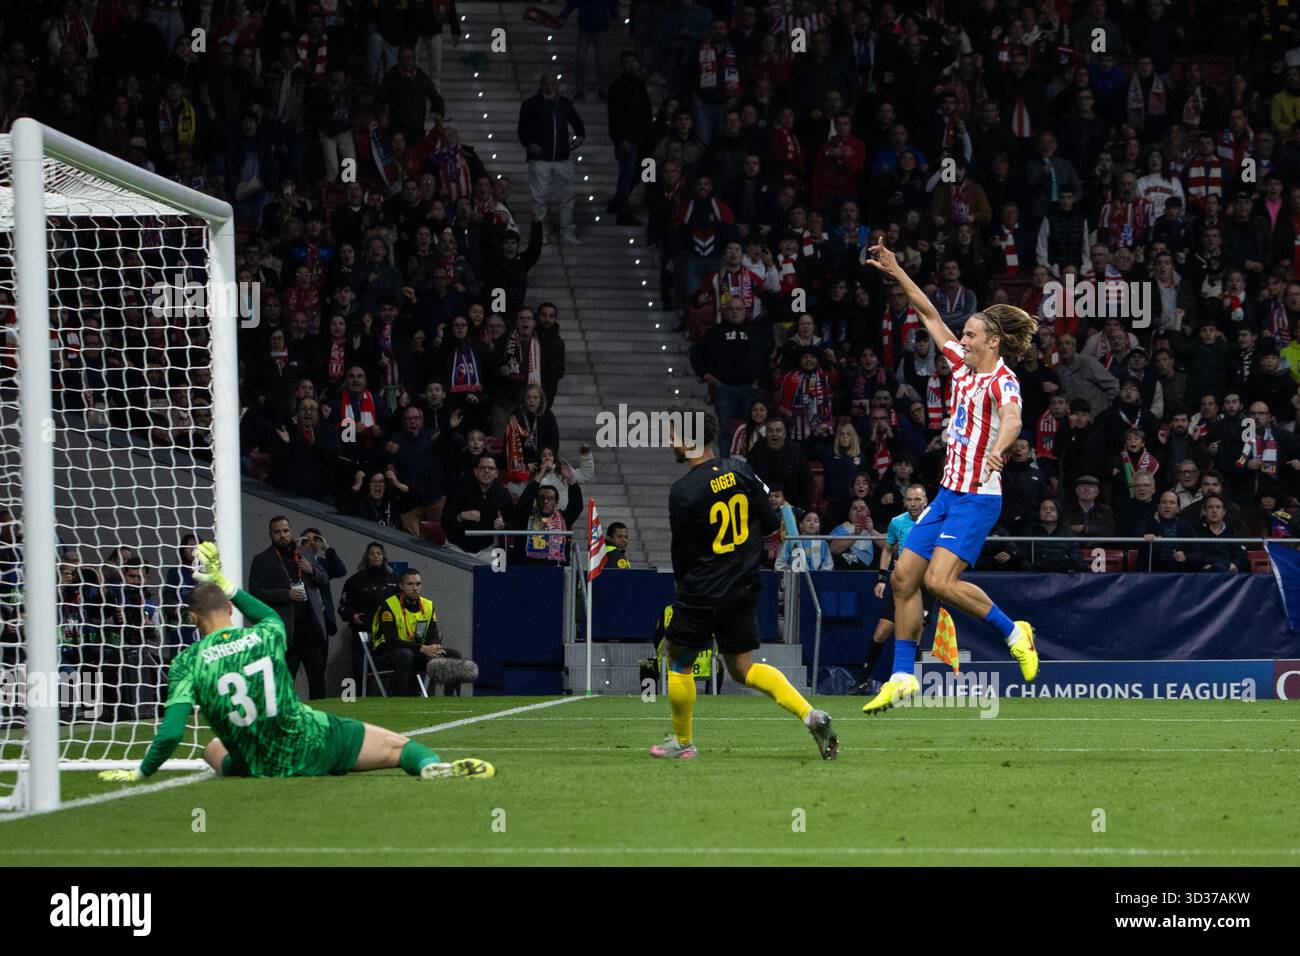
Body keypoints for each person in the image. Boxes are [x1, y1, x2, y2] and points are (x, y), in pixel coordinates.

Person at [97, 542, 492, 783]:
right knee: (399, 748)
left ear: (194, 619)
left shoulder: (187, 662)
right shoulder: (264, 632)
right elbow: (267, 613)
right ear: (230, 612)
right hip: (314, 742)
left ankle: (248, 762)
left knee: (213, 747)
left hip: (261, 761)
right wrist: (228, 583)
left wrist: (141, 771)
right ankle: (430, 768)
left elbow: (168, 736)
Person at [860, 243, 1039, 715]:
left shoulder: (1003, 380)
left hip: (979, 498)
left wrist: (999, 449)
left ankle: (1014, 631)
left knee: (938, 582)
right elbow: (928, 313)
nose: (964, 338)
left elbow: (1014, 419)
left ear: (993, 342)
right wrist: (898, 271)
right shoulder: (961, 365)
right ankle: (901, 677)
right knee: (903, 577)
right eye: (965, 333)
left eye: (972, 333)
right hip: (947, 494)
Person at [652, 408, 837, 760]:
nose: (670, 440)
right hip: (742, 588)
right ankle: (809, 714)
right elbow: (770, 522)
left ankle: (684, 742)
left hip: (702, 590)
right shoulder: (741, 468)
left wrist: (681, 583)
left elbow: (681, 550)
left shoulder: (683, 491)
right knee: (743, 668)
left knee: (679, 662)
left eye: (674, 434)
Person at [247, 515, 328, 700]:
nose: (282, 535)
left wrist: (312, 571)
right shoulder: (262, 560)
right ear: (270, 535)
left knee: (318, 679)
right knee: (283, 680)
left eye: (286, 531)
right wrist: (286, 594)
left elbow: (324, 581)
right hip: (283, 629)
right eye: (277, 532)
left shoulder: (305, 553)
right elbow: (256, 594)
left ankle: (322, 721)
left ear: (291, 531)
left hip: (310, 626)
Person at [371, 568, 478, 696]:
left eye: (418, 584)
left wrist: (434, 647)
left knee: (453, 654)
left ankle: (451, 700)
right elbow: (392, 641)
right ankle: (400, 699)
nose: (415, 588)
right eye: (410, 584)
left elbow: (433, 634)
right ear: (401, 586)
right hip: (386, 654)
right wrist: (422, 648)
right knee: (405, 654)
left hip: (415, 652)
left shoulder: (427, 605)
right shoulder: (389, 606)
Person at [517, 73, 586, 245]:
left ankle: (567, 232)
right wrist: (530, 144)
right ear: (541, 84)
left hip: (562, 158)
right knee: (539, 197)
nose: (551, 85)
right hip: (540, 159)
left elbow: (577, 124)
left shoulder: (564, 103)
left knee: (568, 196)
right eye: (548, 82)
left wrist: (580, 137)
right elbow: (522, 130)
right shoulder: (530, 104)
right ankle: (541, 233)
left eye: (554, 82)